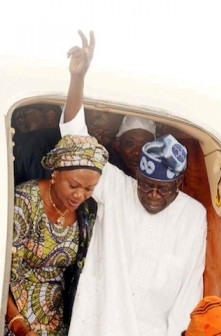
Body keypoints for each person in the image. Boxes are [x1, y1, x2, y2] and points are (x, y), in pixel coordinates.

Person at [63, 34, 208, 336]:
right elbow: (75, 139)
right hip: (98, 326)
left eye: (163, 189)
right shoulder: (117, 188)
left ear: (179, 183)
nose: (153, 194)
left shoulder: (193, 215)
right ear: (138, 177)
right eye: (146, 185)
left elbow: (189, 288)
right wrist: (77, 79)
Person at [5, 30, 108, 336]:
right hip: (12, 315)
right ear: (56, 172)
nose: (80, 195)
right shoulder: (24, 203)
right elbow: (4, 272)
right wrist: (17, 323)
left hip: (57, 321)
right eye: (74, 185)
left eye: (89, 189)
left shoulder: (87, 212)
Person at [12, 104, 62, 185]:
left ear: (50, 116)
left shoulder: (33, 143)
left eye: (25, 113)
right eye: (17, 116)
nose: (19, 120)